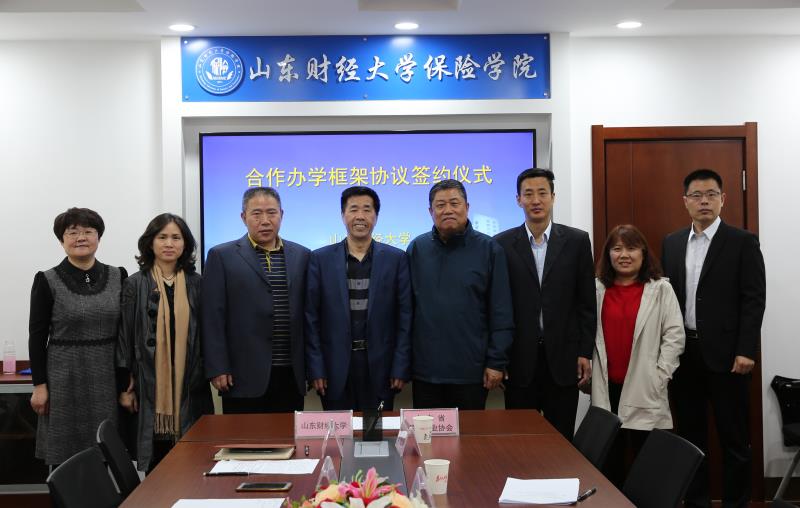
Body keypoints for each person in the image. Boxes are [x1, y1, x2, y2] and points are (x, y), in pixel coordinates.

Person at [662, 168, 766, 508]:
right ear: (685, 201)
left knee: (734, 439)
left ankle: (736, 503)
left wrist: (746, 349)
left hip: (729, 357)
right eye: (696, 195)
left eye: (711, 194)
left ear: (723, 199)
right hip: (684, 355)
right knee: (691, 437)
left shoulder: (742, 241)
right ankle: (697, 502)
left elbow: (753, 299)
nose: (704, 201)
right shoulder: (672, 242)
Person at [494, 168, 595, 439]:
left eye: (542, 193)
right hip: (518, 360)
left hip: (563, 359)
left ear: (553, 197)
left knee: (561, 439)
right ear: (518, 200)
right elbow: (497, 306)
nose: (536, 200)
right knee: (520, 440)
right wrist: (499, 357)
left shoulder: (577, 241)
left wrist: (584, 351)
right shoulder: (501, 244)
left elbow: (586, 303)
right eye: (528, 194)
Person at [28, 208, 127, 466]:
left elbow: (126, 333)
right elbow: (37, 337)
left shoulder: (119, 275)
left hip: (107, 376)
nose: (80, 237)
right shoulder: (47, 280)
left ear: (99, 237)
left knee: (107, 450)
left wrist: (127, 382)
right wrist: (39, 386)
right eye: (72, 233)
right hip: (64, 378)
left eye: (88, 231)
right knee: (65, 455)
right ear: (61, 240)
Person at [117, 213, 213, 472]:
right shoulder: (134, 284)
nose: (169, 243)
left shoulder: (198, 284)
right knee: (157, 464)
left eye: (176, 237)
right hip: (149, 387)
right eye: (162, 237)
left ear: (185, 244)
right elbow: (124, 337)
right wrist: (125, 387)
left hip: (190, 385)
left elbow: (208, 335)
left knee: (195, 462)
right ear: (150, 243)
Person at [591, 224, 685, 487]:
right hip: (608, 388)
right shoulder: (596, 289)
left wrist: (660, 376)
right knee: (610, 464)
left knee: (647, 469)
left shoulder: (661, 289)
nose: (624, 255)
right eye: (617, 248)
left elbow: (675, 335)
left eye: (631, 248)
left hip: (645, 386)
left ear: (643, 253)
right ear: (608, 254)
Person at [407, 179, 513, 410]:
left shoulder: (490, 250)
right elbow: (406, 311)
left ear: (467, 207)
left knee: (469, 433)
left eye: (454, 203)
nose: (448, 210)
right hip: (426, 372)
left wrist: (496, 361)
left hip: (471, 372)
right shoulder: (417, 249)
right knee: (425, 433)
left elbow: (501, 312)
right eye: (440, 205)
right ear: (430, 211)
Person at [202, 187, 310, 413]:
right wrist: (218, 367)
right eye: (257, 214)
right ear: (244, 217)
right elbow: (212, 317)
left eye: (271, 213)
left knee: (288, 435)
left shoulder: (302, 255)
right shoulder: (221, 256)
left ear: (282, 215)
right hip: (242, 374)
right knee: (245, 436)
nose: (265, 221)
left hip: (291, 373)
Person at [305, 186, 412, 411]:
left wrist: (400, 366)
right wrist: (316, 368)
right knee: (338, 432)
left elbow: (405, 317)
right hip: (334, 369)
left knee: (377, 432)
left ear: (376, 216)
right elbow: (311, 318)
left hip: (382, 369)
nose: (360, 216)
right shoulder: (320, 259)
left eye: (367, 209)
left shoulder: (396, 259)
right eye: (353, 209)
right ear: (343, 215)